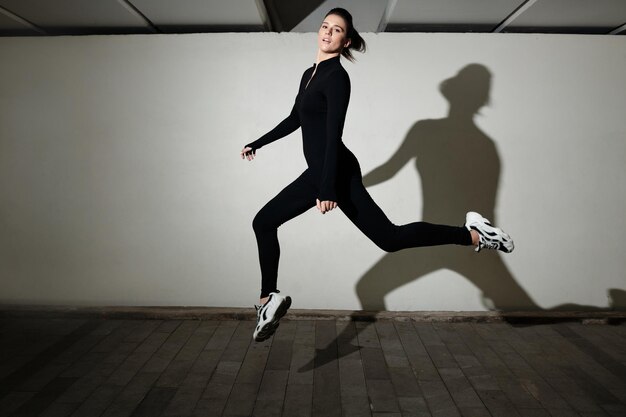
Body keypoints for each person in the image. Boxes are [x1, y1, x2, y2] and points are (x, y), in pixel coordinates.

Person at [240, 8, 514, 342]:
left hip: (332, 168)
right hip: (323, 170)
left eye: (336, 29)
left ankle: (472, 233)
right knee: (381, 237)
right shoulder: (309, 74)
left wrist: (327, 188)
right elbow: (295, 118)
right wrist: (258, 143)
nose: (327, 32)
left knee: (387, 238)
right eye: (325, 26)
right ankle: (269, 299)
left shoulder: (337, 77)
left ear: (347, 40)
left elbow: (332, 135)